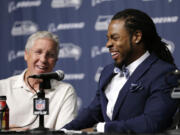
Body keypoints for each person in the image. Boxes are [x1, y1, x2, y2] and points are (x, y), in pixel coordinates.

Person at [63, 9, 179, 133]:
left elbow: (153, 122)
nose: (108, 44)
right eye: (108, 38)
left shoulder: (165, 73)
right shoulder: (107, 72)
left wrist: (102, 128)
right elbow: (92, 113)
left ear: (136, 37)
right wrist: (63, 131)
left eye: (115, 38)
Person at [0, 31, 77, 130]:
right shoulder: (2, 87)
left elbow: (65, 132)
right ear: (26, 55)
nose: (43, 59)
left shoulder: (65, 91)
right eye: (38, 52)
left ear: (56, 60)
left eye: (50, 55)